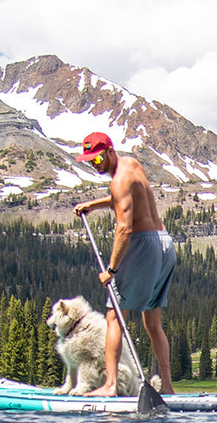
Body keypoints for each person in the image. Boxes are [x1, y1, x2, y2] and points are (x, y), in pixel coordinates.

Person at [72, 132, 176, 396]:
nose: (94, 164)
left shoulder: (118, 181)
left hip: (143, 245)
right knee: (152, 323)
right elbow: (127, 199)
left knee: (114, 316)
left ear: (108, 151)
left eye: (96, 158)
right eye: (89, 160)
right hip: (164, 244)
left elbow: (124, 229)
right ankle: (167, 386)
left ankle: (110, 385)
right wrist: (94, 205)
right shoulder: (131, 165)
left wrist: (112, 270)